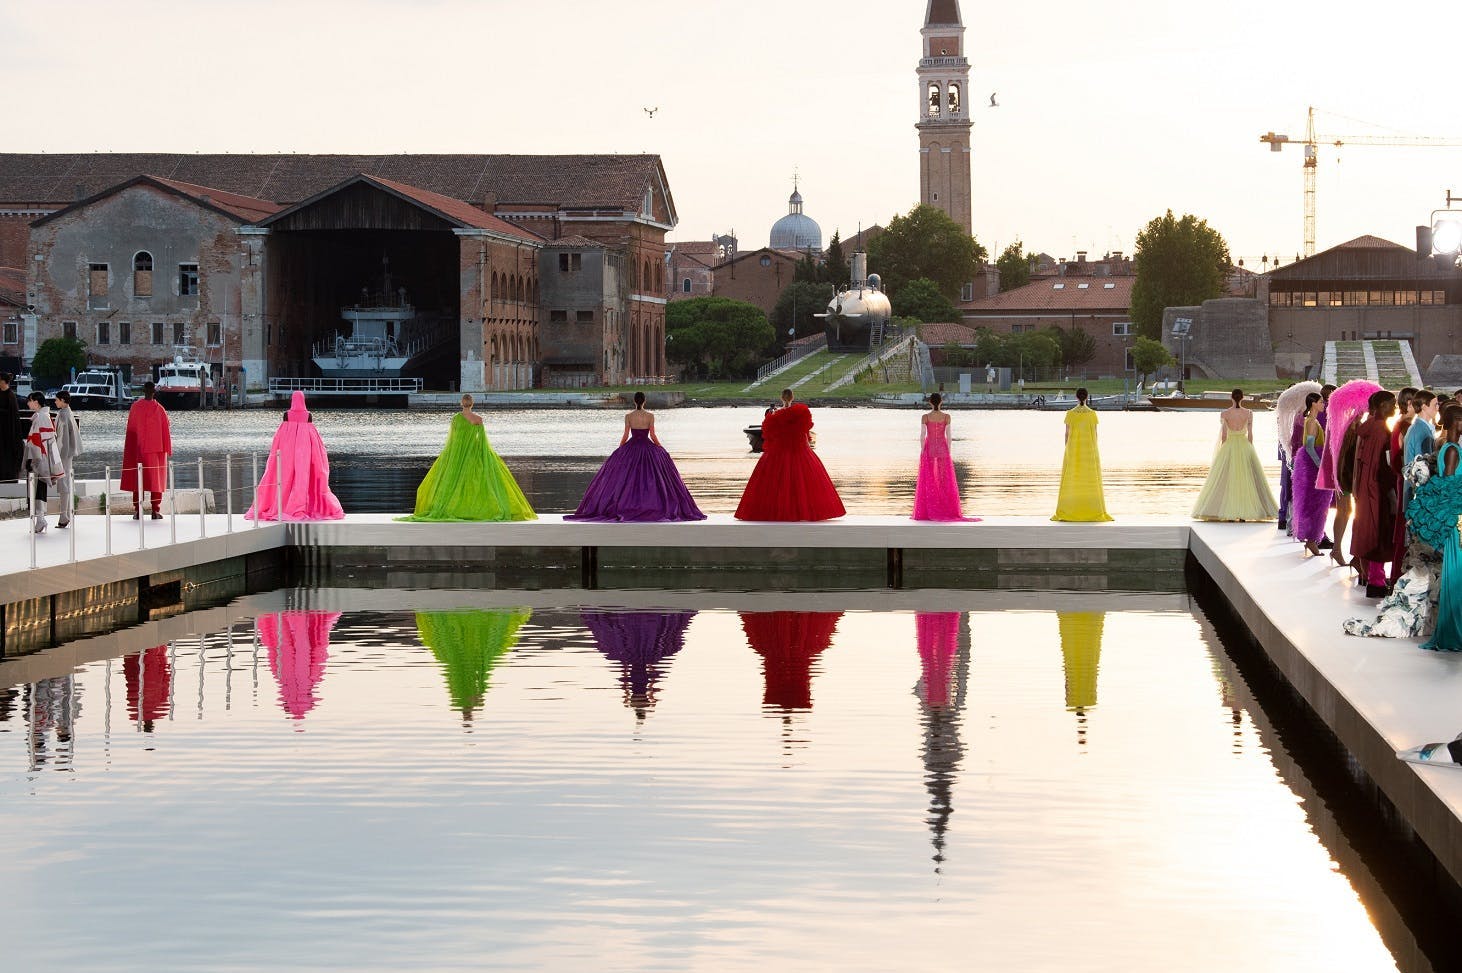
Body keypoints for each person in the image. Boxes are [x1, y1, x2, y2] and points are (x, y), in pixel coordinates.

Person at [566, 391, 705, 522]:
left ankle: (625, 504)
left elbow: (626, 435)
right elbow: (653, 435)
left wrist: (620, 450)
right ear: (644, 401)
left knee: (627, 478)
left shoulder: (629, 416)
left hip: (632, 447)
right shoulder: (650, 416)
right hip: (647, 447)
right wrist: (660, 447)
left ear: (634, 401)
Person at [399, 393, 536, 522]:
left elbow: (452, 438)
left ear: (461, 403)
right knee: (478, 481)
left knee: (453, 481)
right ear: (472, 404)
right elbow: (482, 439)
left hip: (457, 452)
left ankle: (452, 507)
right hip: (474, 452)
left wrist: (450, 454)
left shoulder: (455, 419)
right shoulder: (478, 419)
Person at [735, 388, 845, 521]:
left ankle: (774, 512)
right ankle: (803, 512)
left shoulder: (774, 417)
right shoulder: (801, 413)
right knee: (804, 484)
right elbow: (805, 432)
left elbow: (769, 437)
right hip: (800, 452)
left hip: (778, 454)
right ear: (792, 397)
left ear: (782, 398)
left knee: (774, 483)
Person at [245, 391, 345, 521]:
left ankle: (284, 505)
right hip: (305, 450)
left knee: (284, 477)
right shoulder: (308, 415)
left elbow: (279, 436)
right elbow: (313, 436)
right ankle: (304, 505)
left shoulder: (286, 415)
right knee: (304, 477)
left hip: (287, 450)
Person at [1190, 388, 1279, 522]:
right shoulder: (1249, 413)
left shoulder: (1225, 413)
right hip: (1244, 446)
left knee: (1227, 480)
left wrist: (1222, 450)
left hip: (1229, 447)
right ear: (1242, 398)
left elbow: (1224, 435)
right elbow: (1250, 434)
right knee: (1247, 479)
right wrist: (1250, 449)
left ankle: (1227, 512)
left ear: (1231, 398)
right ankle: (1245, 514)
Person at [1416, 406, 1462, 652]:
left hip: (1456, 517)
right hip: (1458, 518)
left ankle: (1454, 627)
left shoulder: (1447, 446)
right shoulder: (1453, 450)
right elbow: (1449, 487)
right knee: (1458, 572)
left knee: (1457, 571)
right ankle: (1455, 630)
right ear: (1456, 422)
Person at [1351, 390, 1398, 598]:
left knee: (1368, 530)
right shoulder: (1382, 431)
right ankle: (1377, 582)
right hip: (1377, 489)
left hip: (1364, 487)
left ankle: (1369, 576)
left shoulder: (1366, 428)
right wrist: (1392, 494)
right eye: (1391, 403)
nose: (1394, 407)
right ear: (1380, 407)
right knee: (1380, 533)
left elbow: (1357, 463)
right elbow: (1384, 467)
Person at [913, 392, 977, 522]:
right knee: (943, 480)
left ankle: (929, 509)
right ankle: (945, 508)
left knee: (929, 479)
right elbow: (949, 437)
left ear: (930, 402)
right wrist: (948, 451)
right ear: (941, 402)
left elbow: (922, 435)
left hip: (930, 449)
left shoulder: (925, 417)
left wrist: (922, 450)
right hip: (942, 449)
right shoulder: (947, 417)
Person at [1051, 387, 1112, 522]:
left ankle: (1070, 509)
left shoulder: (1070, 414)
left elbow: (1066, 434)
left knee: (1071, 478)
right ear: (1087, 397)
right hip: (1090, 451)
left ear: (1076, 397)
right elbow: (1095, 434)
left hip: (1073, 450)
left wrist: (1067, 448)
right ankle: (1092, 510)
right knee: (1090, 479)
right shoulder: (1092, 414)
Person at [121, 381, 172, 520]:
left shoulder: (136, 407)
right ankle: (155, 511)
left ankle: (138, 511)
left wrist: (131, 449)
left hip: (139, 450)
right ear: (154, 392)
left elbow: (131, 431)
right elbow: (166, 431)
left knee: (138, 481)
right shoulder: (160, 409)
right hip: (156, 452)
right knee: (156, 481)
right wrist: (167, 449)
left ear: (143, 391)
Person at [1292, 393, 1333, 557]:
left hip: (1312, 463)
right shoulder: (1312, 422)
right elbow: (1309, 446)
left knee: (1316, 503)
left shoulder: (1311, 420)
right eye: (1322, 402)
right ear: (1314, 404)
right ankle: (1311, 540)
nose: (1324, 404)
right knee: (1317, 503)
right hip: (1313, 466)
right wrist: (1320, 466)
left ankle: (1312, 540)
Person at [22, 392, 63, 533]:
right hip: (45, 458)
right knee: (40, 489)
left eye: (30, 401)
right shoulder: (45, 416)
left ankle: (40, 519)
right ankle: (40, 519)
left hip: (40, 459)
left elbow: (37, 442)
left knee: (37, 489)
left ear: (36, 402)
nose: (28, 403)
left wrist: (32, 460)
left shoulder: (40, 417)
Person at [52, 389, 80, 529]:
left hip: (63, 453)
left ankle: (64, 516)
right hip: (68, 453)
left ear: (63, 400)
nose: (55, 401)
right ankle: (66, 514)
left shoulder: (63, 415)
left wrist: (55, 454)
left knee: (63, 484)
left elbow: (61, 438)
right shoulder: (68, 412)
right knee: (66, 482)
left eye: (56, 399)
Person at [0, 372, 20, 482]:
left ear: (3, 381)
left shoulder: (10, 396)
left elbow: (12, 415)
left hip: (7, 432)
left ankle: (8, 478)